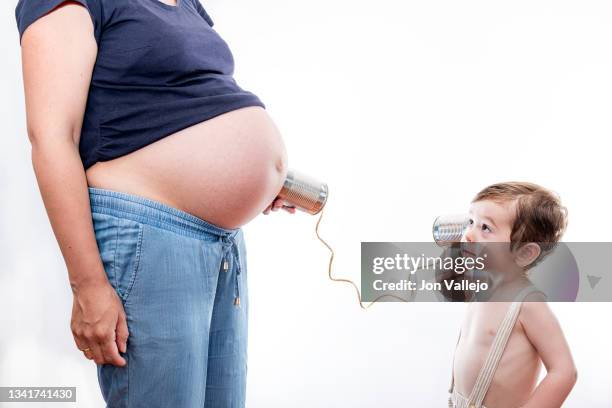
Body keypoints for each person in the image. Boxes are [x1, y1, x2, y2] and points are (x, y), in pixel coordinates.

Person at [15, 0, 295, 406]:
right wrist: (88, 285)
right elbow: (52, 137)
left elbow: (187, 99)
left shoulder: (186, 4)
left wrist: (259, 177)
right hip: (148, 236)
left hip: (223, 246)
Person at [448, 182, 577, 408]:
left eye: (485, 228)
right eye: (470, 222)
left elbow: (564, 371)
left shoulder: (527, 303)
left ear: (524, 253)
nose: (468, 234)